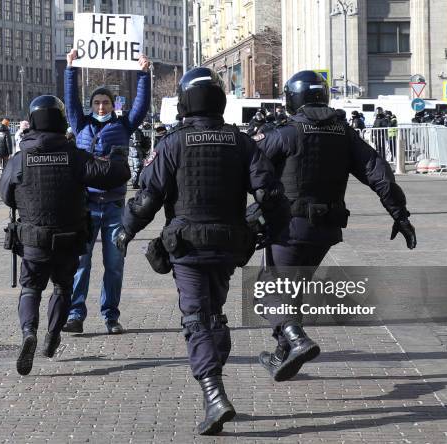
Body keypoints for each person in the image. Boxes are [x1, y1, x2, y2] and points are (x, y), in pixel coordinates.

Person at [114, 67, 284, 435]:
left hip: (188, 246)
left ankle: (214, 394)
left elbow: (149, 197)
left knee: (195, 318)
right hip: (228, 244)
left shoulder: (173, 143)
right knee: (215, 312)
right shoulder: (241, 142)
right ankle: (215, 369)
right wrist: (265, 225)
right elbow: (268, 193)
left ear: (185, 100)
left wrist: (125, 229)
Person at [254, 71, 416, 383]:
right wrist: (400, 215)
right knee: (292, 290)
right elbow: (378, 171)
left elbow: (249, 165)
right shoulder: (344, 133)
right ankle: (281, 354)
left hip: (288, 228)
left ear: (293, 98)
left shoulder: (286, 133)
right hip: (325, 230)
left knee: (267, 291)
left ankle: (297, 340)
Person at [0, 95, 131, 376]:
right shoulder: (74, 156)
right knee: (62, 288)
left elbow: (6, 195)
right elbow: (113, 175)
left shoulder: (20, 160)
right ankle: (52, 335)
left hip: (33, 238)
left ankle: (28, 332)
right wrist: (120, 157)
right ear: (60, 121)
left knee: (31, 288)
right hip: (69, 238)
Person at [61, 49, 151, 335]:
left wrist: (143, 74)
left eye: (106, 102)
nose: (101, 107)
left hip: (114, 206)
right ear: (92, 105)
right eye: (97, 103)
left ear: (113, 104)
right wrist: (70, 68)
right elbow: (71, 101)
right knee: (81, 264)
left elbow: (142, 104)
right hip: (85, 206)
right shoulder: (81, 123)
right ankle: (75, 315)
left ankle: (110, 315)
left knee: (114, 265)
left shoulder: (123, 125)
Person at [128, 124, 151, 189]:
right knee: (137, 168)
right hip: (135, 151)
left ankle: (134, 182)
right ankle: (134, 183)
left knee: (135, 167)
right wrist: (143, 152)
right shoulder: (135, 130)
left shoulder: (132, 129)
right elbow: (136, 143)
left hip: (132, 150)